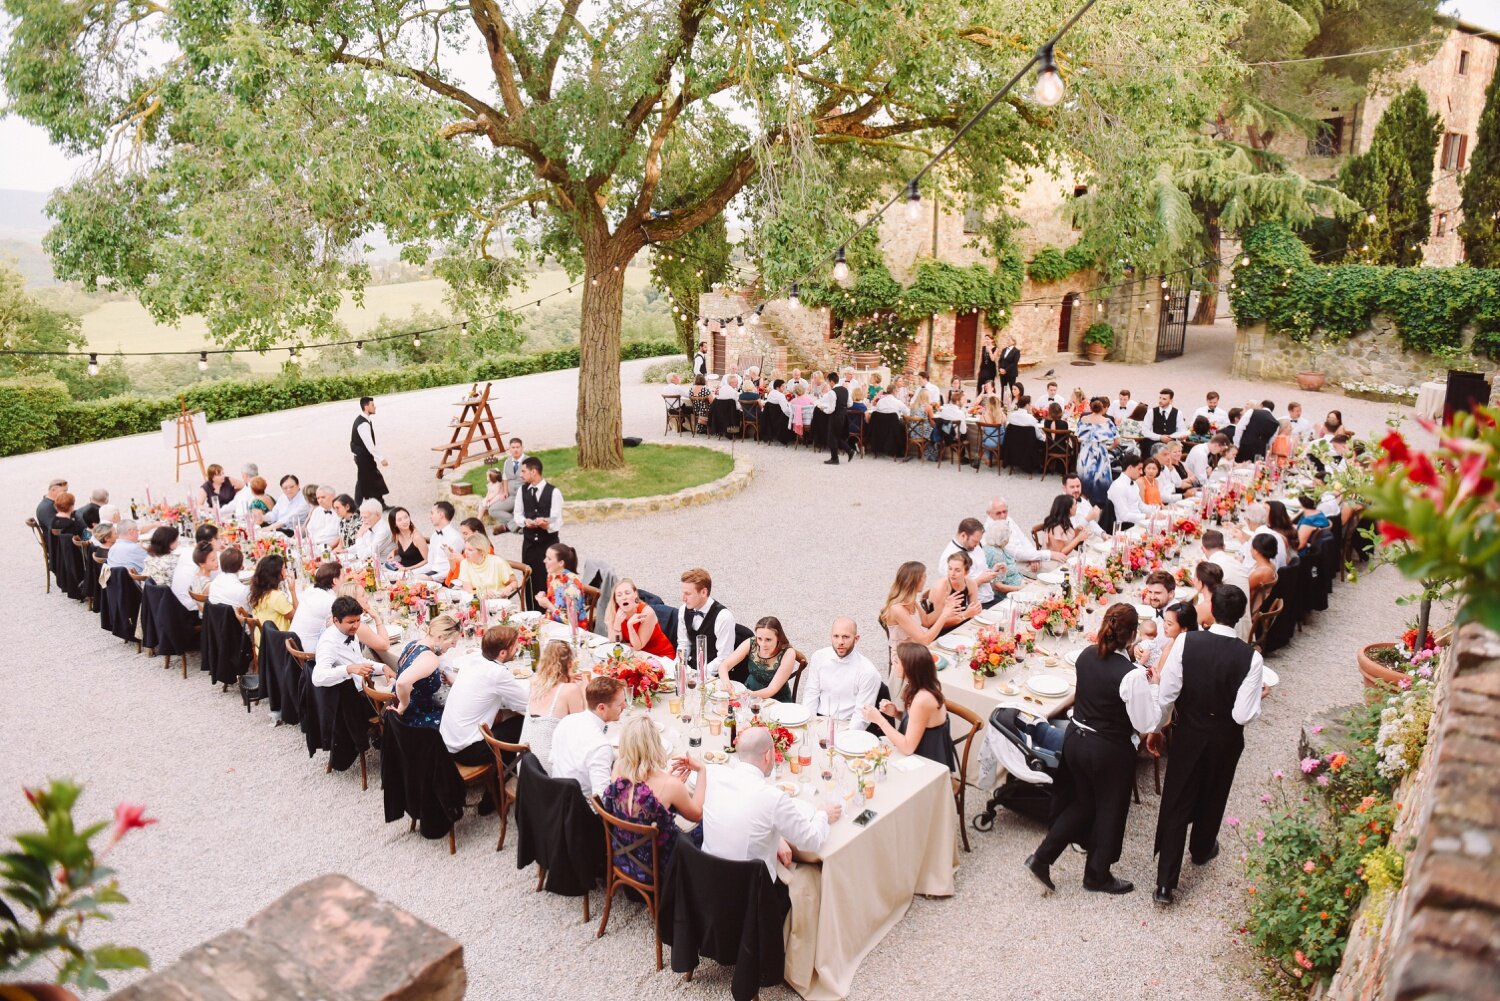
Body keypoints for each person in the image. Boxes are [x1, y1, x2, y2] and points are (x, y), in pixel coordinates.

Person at [1025, 604, 1158, 895]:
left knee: (1084, 803)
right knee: (1110, 809)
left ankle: (1042, 858)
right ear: (1132, 636)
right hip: (1107, 748)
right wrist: (1153, 689)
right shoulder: (1131, 675)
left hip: (1076, 739)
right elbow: (1145, 721)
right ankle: (1097, 874)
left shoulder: (1086, 656)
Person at [1151, 585, 1264, 905]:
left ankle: (1165, 884)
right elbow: (1243, 714)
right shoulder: (1251, 658)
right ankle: (1201, 849)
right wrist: (1259, 700)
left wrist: (1158, 727)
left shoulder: (1186, 641)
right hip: (1225, 736)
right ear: (1242, 615)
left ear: (1212, 609)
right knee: (1214, 793)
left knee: (1176, 800)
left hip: (1189, 731)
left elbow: (1167, 694)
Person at [701, 726, 839, 879]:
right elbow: (811, 841)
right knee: (812, 874)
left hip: (706, 878)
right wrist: (823, 814)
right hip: (750, 893)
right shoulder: (773, 798)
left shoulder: (713, 774)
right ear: (768, 755)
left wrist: (777, 838)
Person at [601, 717, 707, 883]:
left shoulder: (618, 768)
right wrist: (701, 771)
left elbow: (639, 793)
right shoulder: (671, 786)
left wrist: (670, 783)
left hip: (623, 858)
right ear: (656, 745)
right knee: (708, 822)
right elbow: (698, 814)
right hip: (659, 870)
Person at [442, 624, 530, 765]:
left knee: (505, 715)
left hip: (449, 741)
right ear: (502, 653)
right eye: (514, 647)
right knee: (525, 723)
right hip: (468, 750)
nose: (517, 649)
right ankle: (511, 772)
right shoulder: (497, 673)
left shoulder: (473, 658)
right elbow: (526, 703)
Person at [861, 643, 955, 769]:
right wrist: (896, 713)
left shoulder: (922, 699)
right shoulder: (922, 685)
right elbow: (920, 722)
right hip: (919, 749)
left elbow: (907, 748)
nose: (893, 665)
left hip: (927, 761)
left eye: (897, 662)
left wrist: (879, 720)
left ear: (909, 668)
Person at [880, 561, 960, 680]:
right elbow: (924, 640)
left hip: (916, 652)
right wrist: (944, 616)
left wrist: (944, 605)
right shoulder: (897, 609)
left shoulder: (912, 602)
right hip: (905, 661)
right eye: (924, 576)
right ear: (916, 580)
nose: (925, 579)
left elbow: (926, 621)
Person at [549, 676, 627, 796]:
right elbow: (602, 799)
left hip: (556, 795)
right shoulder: (600, 747)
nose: (625, 706)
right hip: (580, 808)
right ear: (601, 707)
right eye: (620, 704)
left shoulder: (566, 720)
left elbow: (553, 760)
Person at [798, 617, 881, 721]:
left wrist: (846, 736)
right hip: (819, 719)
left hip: (847, 724)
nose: (840, 642)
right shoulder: (818, 657)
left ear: (856, 639)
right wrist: (809, 724)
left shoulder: (868, 671)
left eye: (846, 637)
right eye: (836, 636)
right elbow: (811, 693)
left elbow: (861, 715)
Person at [521, 640, 584, 772]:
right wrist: (584, 689)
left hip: (525, 768)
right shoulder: (571, 690)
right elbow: (582, 731)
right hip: (549, 774)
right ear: (571, 664)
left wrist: (566, 678)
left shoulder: (534, 683)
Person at [392, 614, 462, 730]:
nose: (454, 646)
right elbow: (402, 683)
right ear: (440, 637)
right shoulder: (430, 659)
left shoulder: (414, 644)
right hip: (417, 717)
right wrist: (403, 706)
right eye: (452, 642)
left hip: (407, 707)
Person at [512, 456, 562, 604]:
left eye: (524, 471)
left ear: (534, 472)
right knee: (530, 578)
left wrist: (547, 525)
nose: (521, 475)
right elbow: (517, 514)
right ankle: (532, 613)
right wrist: (524, 522)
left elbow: (557, 520)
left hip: (548, 545)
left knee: (548, 578)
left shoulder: (553, 492)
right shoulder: (522, 490)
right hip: (529, 545)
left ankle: (550, 614)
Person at [717, 616, 800, 702]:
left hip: (775, 699)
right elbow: (724, 665)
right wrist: (726, 682)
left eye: (768, 639)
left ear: (778, 637)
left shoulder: (788, 653)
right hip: (749, 690)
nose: (763, 644)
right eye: (759, 638)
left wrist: (748, 694)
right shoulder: (751, 643)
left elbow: (772, 689)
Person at [676, 567, 735, 678]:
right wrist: (680, 667)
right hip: (691, 671)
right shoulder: (683, 610)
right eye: (682, 593)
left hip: (713, 677)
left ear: (703, 592)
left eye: (688, 594)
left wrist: (700, 674)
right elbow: (683, 644)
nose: (682, 598)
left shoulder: (724, 617)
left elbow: (724, 658)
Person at [312, 596, 377, 689]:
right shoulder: (329, 642)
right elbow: (317, 677)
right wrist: (348, 669)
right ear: (336, 621)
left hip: (360, 686)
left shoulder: (348, 631)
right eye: (351, 622)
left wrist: (383, 668)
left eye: (358, 620)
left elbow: (358, 661)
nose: (356, 626)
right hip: (348, 695)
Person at [940, 517, 1004, 608]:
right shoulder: (949, 557)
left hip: (989, 597)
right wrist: (980, 580)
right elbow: (954, 591)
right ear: (963, 535)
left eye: (979, 541)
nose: (977, 544)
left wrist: (993, 571)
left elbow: (980, 570)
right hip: (972, 605)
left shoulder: (975, 546)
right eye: (975, 541)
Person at [605, 578, 675, 658]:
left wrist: (630, 626)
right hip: (636, 655)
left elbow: (638, 646)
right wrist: (617, 624)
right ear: (616, 599)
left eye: (627, 593)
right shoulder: (614, 611)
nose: (624, 597)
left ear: (635, 594)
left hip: (659, 656)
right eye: (619, 595)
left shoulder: (647, 612)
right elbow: (613, 640)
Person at [289, 561, 342, 653]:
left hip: (293, 643)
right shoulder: (330, 600)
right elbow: (340, 627)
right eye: (343, 576)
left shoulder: (310, 590)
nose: (346, 578)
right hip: (308, 652)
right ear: (335, 581)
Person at [984, 496, 1053, 566]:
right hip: (1012, 564)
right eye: (998, 513)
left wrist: (1034, 556)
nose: (1003, 516)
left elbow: (1023, 539)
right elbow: (1014, 553)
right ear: (989, 513)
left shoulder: (1008, 519)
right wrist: (1043, 555)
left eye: (1005, 511)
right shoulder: (991, 529)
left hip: (1025, 558)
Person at [1076, 398, 1117, 507]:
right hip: (1100, 450)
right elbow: (1117, 440)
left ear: (1091, 408)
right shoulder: (1107, 422)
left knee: (1085, 476)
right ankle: (1100, 503)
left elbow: (1078, 437)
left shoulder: (1083, 419)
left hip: (1086, 451)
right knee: (1101, 477)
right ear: (1102, 409)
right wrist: (1110, 448)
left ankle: (1083, 501)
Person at [455, 534, 520, 601]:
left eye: (470, 550)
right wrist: (482, 594)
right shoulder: (465, 563)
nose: (465, 552)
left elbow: (514, 582)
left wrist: (509, 588)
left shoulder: (497, 562)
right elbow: (468, 591)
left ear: (481, 551)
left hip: (499, 601)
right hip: (477, 601)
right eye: (465, 548)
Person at [247, 553, 298, 637]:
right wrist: (292, 591)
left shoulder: (259, 592)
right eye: (284, 568)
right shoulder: (276, 596)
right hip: (277, 644)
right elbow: (296, 617)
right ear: (277, 573)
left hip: (263, 642)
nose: (286, 570)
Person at [351, 396, 390, 507]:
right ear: (366, 406)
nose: (375, 407)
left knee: (372, 478)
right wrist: (381, 458)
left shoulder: (363, 420)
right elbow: (370, 445)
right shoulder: (363, 424)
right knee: (363, 481)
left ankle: (380, 504)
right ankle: (356, 506)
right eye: (372, 405)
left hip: (362, 456)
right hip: (362, 457)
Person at [535, 543, 587, 625]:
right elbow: (555, 601)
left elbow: (572, 621)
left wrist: (548, 605)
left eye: (549, 559)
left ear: (561, 563)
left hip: (571, 631)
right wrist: (544, 597)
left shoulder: (572, 586)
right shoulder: (552, 574)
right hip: (551, 622)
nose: (544, 561)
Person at [487, 438, 530, 528]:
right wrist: (505, 492)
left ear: (522, 448)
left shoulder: (529, 461)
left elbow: (533, 479)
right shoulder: (507, 461)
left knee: (527, 512)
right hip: (511, 496)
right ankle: (517, 524)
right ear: (509, 449)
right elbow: (505, 478)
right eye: (513, 447)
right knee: (493, 510)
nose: (515, 450)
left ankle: (514, 526)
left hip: (524, 496)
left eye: (518, 447)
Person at [1107, 453, 1155, 530]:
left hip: (1137, 523)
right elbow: (1124, 516)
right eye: (1139, 469)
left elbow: (1141, 506)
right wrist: (1146, 516)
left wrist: (1157, 509)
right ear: (1130, 468)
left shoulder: (1134, 483)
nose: (1141, 472)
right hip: (1125, 527)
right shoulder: (1118, 486)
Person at [1153, 602, 1198, 676]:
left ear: (1184, 629)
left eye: (1169, 624)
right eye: (1165, 621)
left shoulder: (1180, 652)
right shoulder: (1173, 639)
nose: (1164, 626)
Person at [421, 501, 462, 578]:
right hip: (432, 574)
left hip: (447, 578)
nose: (430, 516)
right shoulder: (434, 536)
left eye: (432, 513)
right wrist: (410, 572)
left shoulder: (455, 538)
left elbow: (455, 568)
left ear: (441, 515)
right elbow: (430, 565)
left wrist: (432, 578)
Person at [348, 498, 394, 563]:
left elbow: (364, 556)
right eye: (362, 517)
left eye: (365, 517)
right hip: (373, 564)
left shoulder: (383, 530)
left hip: (387, 566)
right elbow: (364, 544)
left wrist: (359, 535)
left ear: (377, 515)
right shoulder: (371, 525)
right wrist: (347, 550)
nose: (362, 520)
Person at [822, 371, 853, 465]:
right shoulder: (845, 390)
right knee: (837, 436)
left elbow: (831, 409)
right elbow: (850, 404)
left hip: (835, 416)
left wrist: (823, 409)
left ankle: (839, 456)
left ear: (831, 382)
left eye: (828, 381)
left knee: (832, 436)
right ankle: (841, 454)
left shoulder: (832, 392)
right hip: (844, 415)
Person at [1247, 534, 1280, 616]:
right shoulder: (1270, 565)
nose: (1250, 550)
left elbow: (1243, 589)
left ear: (1256, 551)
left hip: (1249, 609)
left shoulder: (1262, 572)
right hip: (1254, 603)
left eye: (1251, 547)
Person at [305, 486, 342, 551]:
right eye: (318, 498)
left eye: (323, 497)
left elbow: (341, 536)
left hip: (330, 547)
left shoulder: (340, 511)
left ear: (333, 497)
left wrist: (328, 547)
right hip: (313, 546)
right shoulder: (316, 511)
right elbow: (310, 531)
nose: (320, 500)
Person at [1191, 562, 1223, 631]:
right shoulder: (1223, 600)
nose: (1193, 580)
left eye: (1195, 577)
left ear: (1201, 582)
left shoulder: (1200, 609)